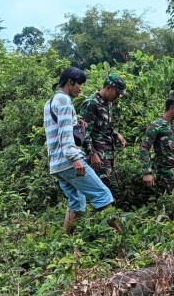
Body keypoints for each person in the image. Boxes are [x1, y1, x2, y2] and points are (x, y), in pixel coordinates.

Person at [43, 67, 120, 234]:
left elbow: (59, 130)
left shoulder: (51, 101)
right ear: (70, 82)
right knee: (103, 194)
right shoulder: (64, 101)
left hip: (56, 164)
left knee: (77, 202)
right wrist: (75, 159)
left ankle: (65, 240)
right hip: (68, 162)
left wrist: (77, 125)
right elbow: (65, 136)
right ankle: (120, 237)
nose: (81, 88)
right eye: (79, 84)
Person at [79, 74, 127, 200]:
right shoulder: (91, 103)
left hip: (108, 153)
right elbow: (83, 132)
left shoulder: (108, 103)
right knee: (110, 191)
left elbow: (103, 125)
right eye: (117, 93)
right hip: (98, 155)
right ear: (109, 88)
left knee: (107, 191)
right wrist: (93, 154)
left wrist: (116, 134)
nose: (118, 97)